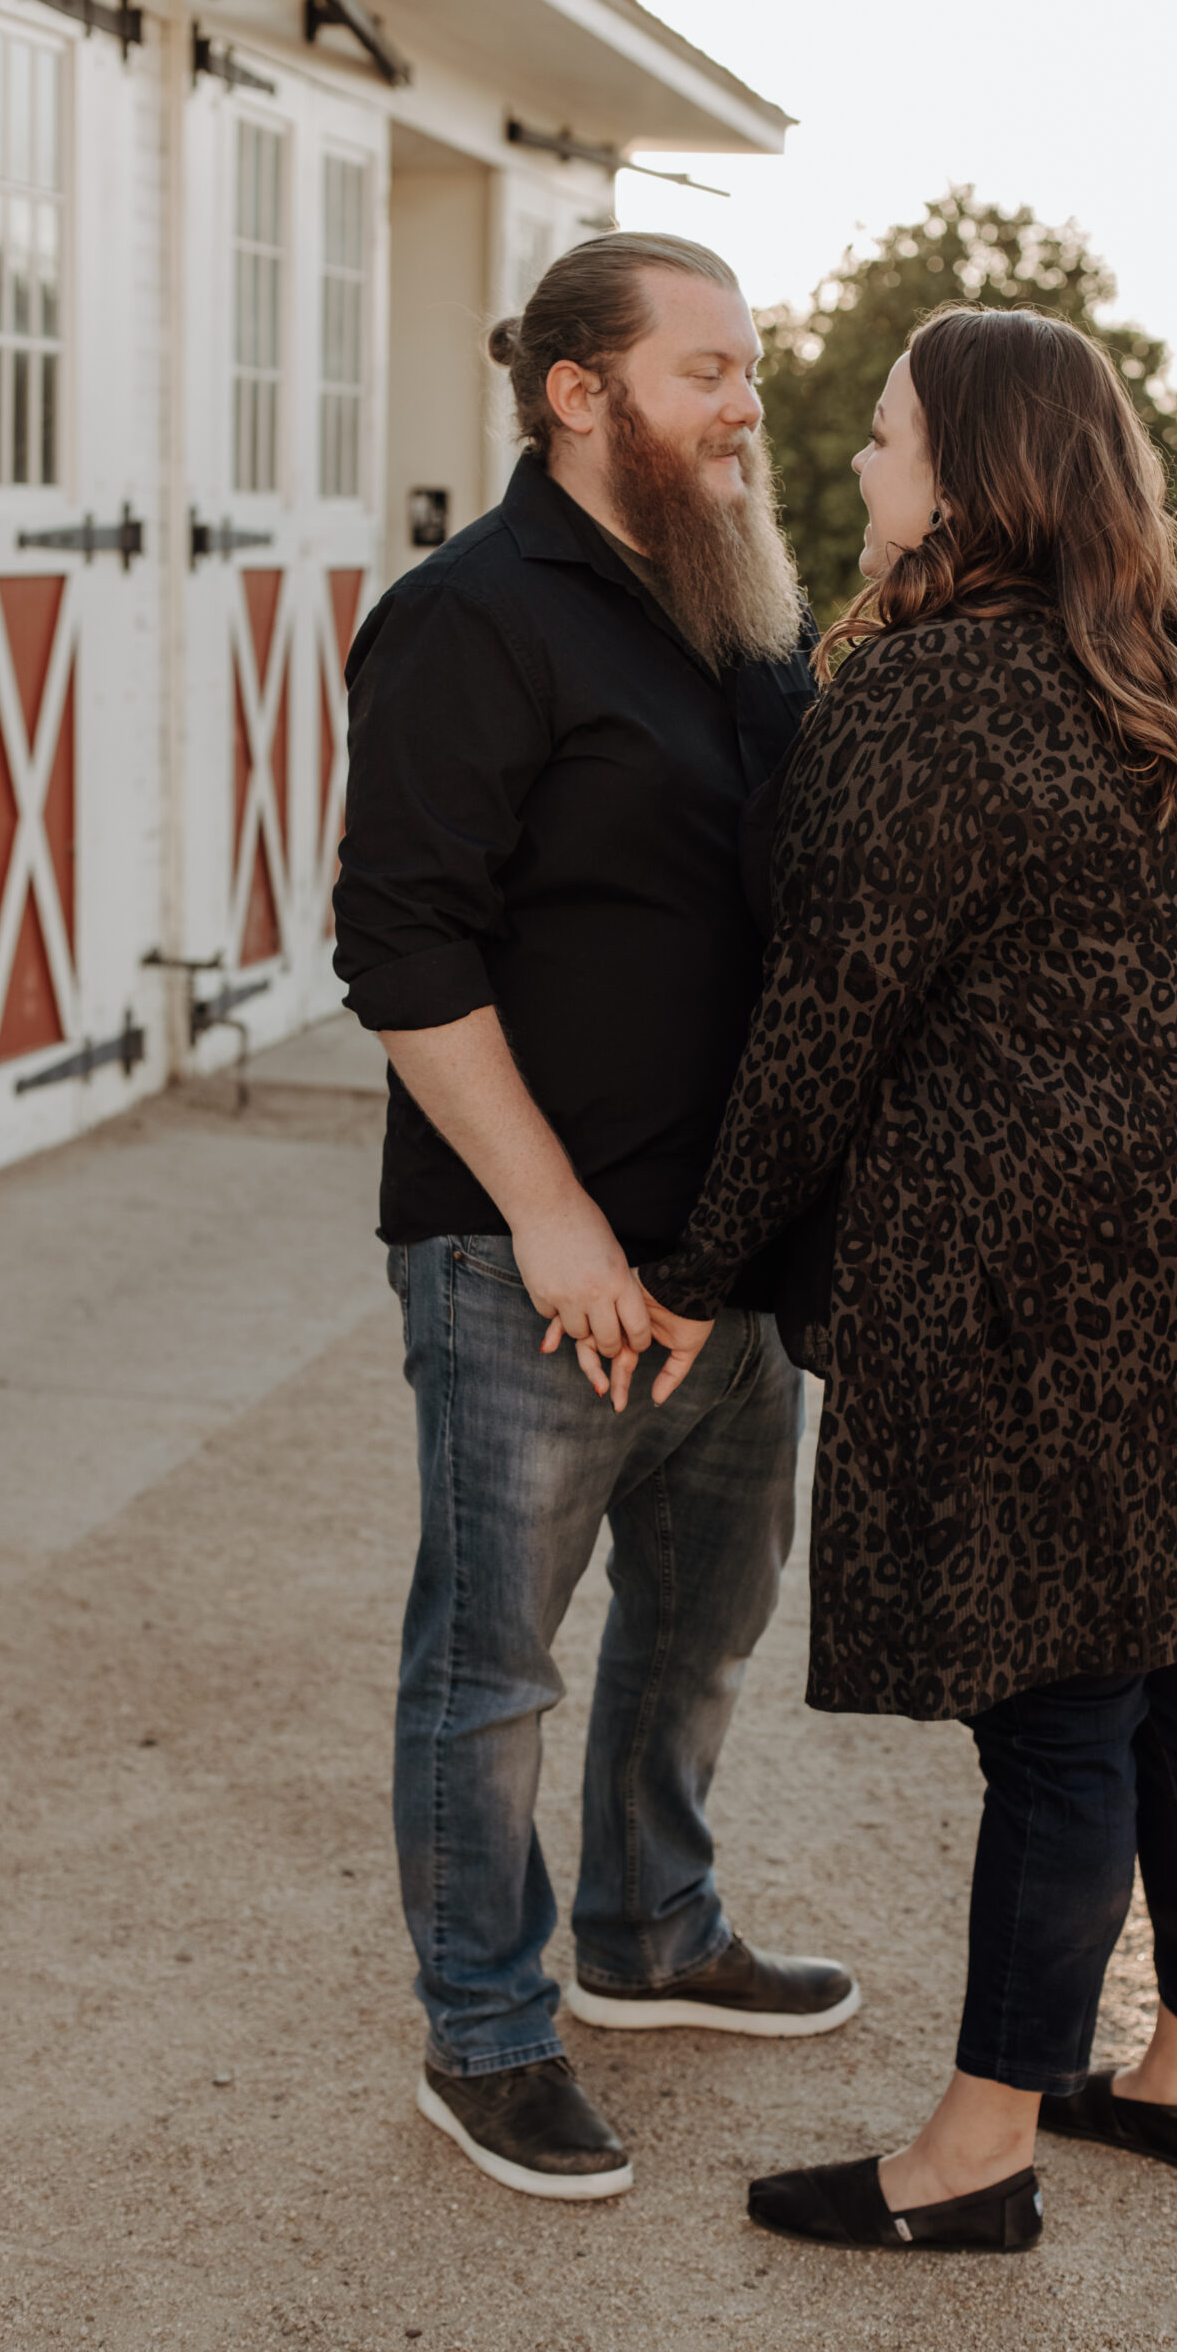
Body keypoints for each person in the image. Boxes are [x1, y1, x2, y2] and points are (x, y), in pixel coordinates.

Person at [627, 303, 1177, 2253]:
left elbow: (819, 1022)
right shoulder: (1129, 646)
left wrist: (699, 1258)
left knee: (1058, 1704)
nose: (855, 470)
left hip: (1054, 1254)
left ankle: (971, 2153)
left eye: (880, 441)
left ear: (964, 472)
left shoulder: (927, 689)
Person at [332, 233, 859, 2205]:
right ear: (578, 389)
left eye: (750, 370)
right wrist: (552, 1220)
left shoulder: (732, 611)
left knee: (699, 1625)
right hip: (527, 1260)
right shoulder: (468, 619)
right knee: (492, 1667)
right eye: (707, 369)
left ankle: (653, 1929)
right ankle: (486, 2031)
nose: (745, 406)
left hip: (725, 1254)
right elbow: (396, 950)